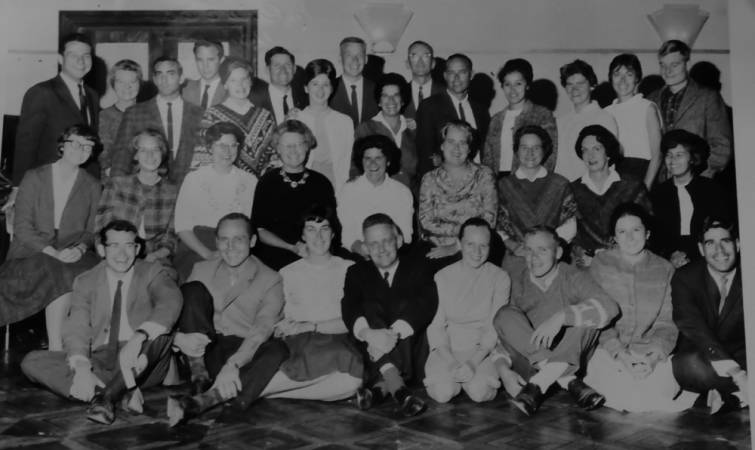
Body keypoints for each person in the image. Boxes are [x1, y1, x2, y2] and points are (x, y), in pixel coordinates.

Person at [21, 219, 183, 425]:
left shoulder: (152, 271)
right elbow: (77, 325)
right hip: (102, 360)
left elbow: (170, 301)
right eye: (114, 245)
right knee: (32, 361)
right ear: (101, 249)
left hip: (142, 361)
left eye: (129, 245)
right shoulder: (86, 280)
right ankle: (119, 391)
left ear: (137, 248)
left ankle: (106, 397)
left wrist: (139, 337)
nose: (122, 254)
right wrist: (82, 368)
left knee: (160, 334)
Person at [166, 213, 288, 426]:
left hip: (242, 349)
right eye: (224, 239)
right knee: (191, 290)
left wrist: (234, 364)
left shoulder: (271, 278)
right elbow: (179, 313)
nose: (230, 247)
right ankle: (200, 380)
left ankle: (209, 400)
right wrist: (178, 339)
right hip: (203, 350)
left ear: (252, 241)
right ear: (216, 242)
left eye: (238, 239)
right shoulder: (201, 269)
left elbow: (262, 327)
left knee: (277, 349)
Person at [494, 226, 619, 416]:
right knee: (504, 314)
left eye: (542, 250)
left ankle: (542, 382)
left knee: (588, 320)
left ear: (558, 252)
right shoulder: (518, 281)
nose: (534, 258)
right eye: (529, 250)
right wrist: (503, 371)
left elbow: (609, 307)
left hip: (573, 359)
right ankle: (566, 380)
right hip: (532, 366)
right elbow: (504, 334)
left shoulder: (574, 276)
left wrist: (561, 317)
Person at [0, 125, 101, 351]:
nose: (81, 150)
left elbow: (91, 231)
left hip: (73, 251)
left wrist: (80, 248)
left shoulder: (93, 185)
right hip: (32, 251)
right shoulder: (34, 177)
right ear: (62, 145)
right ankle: (56, 346)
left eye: (87, 147)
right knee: (59, 270)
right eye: (75, 143)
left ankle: (59, 346)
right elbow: (22, 228)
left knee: (74, 272)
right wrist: (53, 252)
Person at [584, 203, 688, 412]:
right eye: (622, 232)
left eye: (636, 230)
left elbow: (667, 322)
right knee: (618, 393)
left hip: (650, 353)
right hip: (608, 352)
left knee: (655, 393)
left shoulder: (665, 269)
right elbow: (597, 318)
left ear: (647, 233)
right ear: (614, 237)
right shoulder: (601, 264)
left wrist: (652, 358)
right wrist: (621, 355)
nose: (630, 238)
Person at [341, 213, 438, 417]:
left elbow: (425, 304)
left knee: (405, 306)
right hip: (370, 348)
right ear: (365, 248)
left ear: (399, 240)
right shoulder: (356, 272)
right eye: (374, 244)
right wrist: (369, 333)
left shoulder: (419, 267)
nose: (381, 249)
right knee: (369, 308)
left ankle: (380, 389)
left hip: (410, 349)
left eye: (386, 241)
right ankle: (399, 391)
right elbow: (349, 307)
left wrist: (391, 335)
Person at [262, 205, 363, 400]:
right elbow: (279, 317)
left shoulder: (349, 269)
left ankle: (270, 393)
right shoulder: (287, 273)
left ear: (333, 233)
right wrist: (282, 327)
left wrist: (312, 325)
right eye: (311, 229)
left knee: (353, 380)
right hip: (301, 343)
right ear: (302, 235)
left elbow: (353, 320)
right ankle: (269, 389)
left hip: (339, 337)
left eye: (324, 228)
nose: (318, 236)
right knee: (346, 375)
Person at [424, 218, 510, 403]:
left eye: (483, 246)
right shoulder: (442, 277)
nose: (477, 252)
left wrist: (472, 363)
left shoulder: (500, 278)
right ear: (459, 244)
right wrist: (451, 363)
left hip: (482, 351)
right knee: (443, 393)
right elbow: (436, 326)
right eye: (470, 244)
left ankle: (474, 380)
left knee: (479, 392)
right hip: (448, 349)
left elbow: (493, 328)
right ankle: (452, 380)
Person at [671, 217, 746, 413]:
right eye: (710, 243)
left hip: (744, 354)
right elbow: (692, 326)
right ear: (701, 249)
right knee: (687, 365)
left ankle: (732, 398)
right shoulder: (685, 278)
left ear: (738, 244)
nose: (719, 250)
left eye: (725, 241)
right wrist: (738, 374)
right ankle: (740, 393)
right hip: (704, 355)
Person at [173, 122, 257, 280]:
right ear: (210, 147)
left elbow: (250, 227)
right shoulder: (194, 179)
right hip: (199, 248)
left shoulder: (250, 181)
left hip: (237, 249)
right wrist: (208, 254)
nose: (227, 151)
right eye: (221, 145)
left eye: (233, 145)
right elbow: (182, 227)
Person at [14, 33, 99, 184]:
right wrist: (18, 186)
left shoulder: (92, 95)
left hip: (83, 183)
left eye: (86, 55)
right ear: (60, 59)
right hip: (47, 183)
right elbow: (25, 146)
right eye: (73, 55)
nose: (81, 61)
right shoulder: (41, 92)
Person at [252, 120, 336, 271]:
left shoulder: (321, 183)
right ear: (278, 149)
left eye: (298, 144)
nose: (293, 150)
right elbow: (260, 230)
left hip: (316, 254)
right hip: (275, 258)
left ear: (307, 146)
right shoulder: (267, 182)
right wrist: (291, 247)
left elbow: (332, 226)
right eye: (287, 146)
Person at [110, 57, 204, 185]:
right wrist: (115, 189)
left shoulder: (199, 114)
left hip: (189, 187)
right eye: (159, 74)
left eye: (171, 74)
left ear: (181, 78)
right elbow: (121, 156)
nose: (164, 80)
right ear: (154, 79)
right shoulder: (134, 113)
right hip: (147, 188)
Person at [647, 40, 731, 178]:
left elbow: (722, 146)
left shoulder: (708, 97)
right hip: (661, 183)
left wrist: (703, 176)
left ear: (687, 64)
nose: (667, 71)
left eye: (674, 65)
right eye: (663, 65)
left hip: (697, 180)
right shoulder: (651, 99)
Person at [418, 120, 498, 263]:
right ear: (442, 145)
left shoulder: (485, 175)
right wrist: (450, 241)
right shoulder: (429, 179)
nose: (457, 148)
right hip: (436, 246)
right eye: (451, 142)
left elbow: (489, 220)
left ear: (469, 148)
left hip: (476, 247)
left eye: (462, 143)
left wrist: (457, 246)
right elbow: (426, 221)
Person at [96, 129, 178, 265]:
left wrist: (155, 256)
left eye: (155, 149)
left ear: (162, 153)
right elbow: (101, 227)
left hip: (155, 258)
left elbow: (170, 237)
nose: (150, 155)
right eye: (143, 150)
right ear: (135, 155)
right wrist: (107, 254)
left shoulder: (172, 191)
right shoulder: (117, 185)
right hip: (116, 255)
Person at [570, 125, 651, 265]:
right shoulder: (572, 190)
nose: (590, 156)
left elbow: (648, 228)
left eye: (596, 149)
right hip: (589, 264)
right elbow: (569, 236)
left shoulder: (633, 186)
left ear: (608, 152)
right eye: (585, 150)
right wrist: (581, 254)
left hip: (629, 260)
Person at [650, 129, 730, 268]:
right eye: (669, 155)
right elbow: (656, 237)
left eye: (679, 155)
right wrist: (670, 255)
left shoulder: (712, 190)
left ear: (692, 158)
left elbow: (721, 231)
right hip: (668, 260)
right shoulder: (658, 193)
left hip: (707, 256)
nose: (672, 160)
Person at [497, 125, 577, 261]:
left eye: (536, 148)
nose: (530, 153)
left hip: (552, 256)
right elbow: (498, 225)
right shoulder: (504, 185)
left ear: (544, 150)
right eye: (524, 148)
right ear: (516, 150)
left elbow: (569, 225)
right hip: (516, 255)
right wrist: (513, 246)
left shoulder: (560, 184)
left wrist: (546, 248)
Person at [191, 58, 277, 177]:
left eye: (244, 79)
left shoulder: (265, 116)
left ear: (251, 81)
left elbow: (274, 156)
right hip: (223, 181)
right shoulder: (211, 116)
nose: (240, 85)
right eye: (233, 80)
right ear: (225, 84)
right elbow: (201, 158)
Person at [338, 135, 413, 259]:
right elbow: (346, 233)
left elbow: (406, 235)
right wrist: (362, 249)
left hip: (393, 254)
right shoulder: (349, 190)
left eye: (378, 158)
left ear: (388, 161)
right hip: (358, 254)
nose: (372, 163)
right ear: (362, 161)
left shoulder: (402, 192)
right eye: (367, 158)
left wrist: (385, 253)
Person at [416, 53, 490, 175]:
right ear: (445, 76)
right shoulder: (429, 106)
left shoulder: (481, 109)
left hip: (478, 177)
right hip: (444, 179)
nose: (456, 78)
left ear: (471, 74)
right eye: (451, 73)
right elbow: (425, 152)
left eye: (462, 72)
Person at [482, 58, 557, 176]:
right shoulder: (496, 119)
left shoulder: (542, 115)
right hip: (498, 180)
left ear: (527, 85)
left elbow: (550, 155)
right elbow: (487, 157)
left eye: (518, 84)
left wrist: (538, 182)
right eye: (507, 84)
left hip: (530, 180)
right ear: (502, 86)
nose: (512, 90)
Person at [291, 59, 354, 191]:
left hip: (336, 186)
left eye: (325, 84)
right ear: (306, 88)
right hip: (303, 186)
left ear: (331, 88)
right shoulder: (295, 120)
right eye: (315, 84)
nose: (320, 90)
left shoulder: (345, 122)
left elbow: (348, 161)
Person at [554, 59, 618, 181]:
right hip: (561, 186)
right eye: (570, 84)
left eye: (580, 84)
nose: (574, 89)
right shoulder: (560, 121)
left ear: (592, 85)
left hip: (589, 187)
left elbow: (610, 162)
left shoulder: (604, 118)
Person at [605, 53, 663, 188]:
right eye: (617, 74)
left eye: (629, 74)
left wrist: (645, 189)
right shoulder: (606, 112)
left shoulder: (648, 108)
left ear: (637, 78)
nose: (622, 80)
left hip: (642, 175)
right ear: (611, 78)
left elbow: (657, 155)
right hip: (613, 178)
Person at [355, 72, 418, 190]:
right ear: (379, 101)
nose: (391, 100)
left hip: (409, 195)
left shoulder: (412, 130)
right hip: (375, 194)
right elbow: (356, 169)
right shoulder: (366, 129)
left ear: (403, 100)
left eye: (396, 95)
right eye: (385, 96)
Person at [99, 59, 143, 180]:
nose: (127, 87)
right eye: (120, 82)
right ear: (113, 84)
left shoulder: (149, 114)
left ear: (140, 84)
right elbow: (103, 155)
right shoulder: (104, 116)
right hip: (113, 180)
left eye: (133, 81)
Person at [250, 46, 308, 124]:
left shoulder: (305, 100)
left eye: (287, 65)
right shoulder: (255, 102)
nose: (283, 70)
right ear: (267, 70)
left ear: (294, 69)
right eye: (277, 65)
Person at [329, 37, 378, 128]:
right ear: (340, 59)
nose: (355, 60)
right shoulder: (329, 88)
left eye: (359, 55)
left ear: (366, 59)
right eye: (349, 55)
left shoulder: (377, 89)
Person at [403, 40, 444, 119]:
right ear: (407, 63)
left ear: (433, 63)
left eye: (426, 56)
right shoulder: (400, 93)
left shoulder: (445, 92)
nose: (420, 61)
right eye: (414, 56)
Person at [182, 40, 226, 109]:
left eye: (211, 60)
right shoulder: (185, 90)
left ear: (221, 60)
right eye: (200, 60)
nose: (205, 66)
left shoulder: (230, 90)